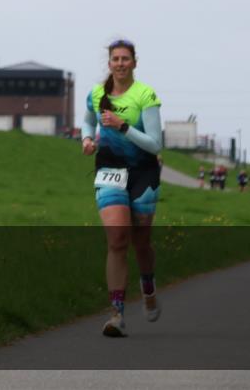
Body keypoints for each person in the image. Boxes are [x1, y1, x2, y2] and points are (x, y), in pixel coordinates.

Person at [81, 39, 163, 337]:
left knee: (141, 243)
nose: (120, 63)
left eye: (125, 59)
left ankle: (148, 286)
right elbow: (88, 122)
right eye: (115, 59)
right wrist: (87, 140)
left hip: (143, 172)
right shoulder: (96, 93)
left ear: (134, 63)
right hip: (110, 170)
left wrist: (122, 126)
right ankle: (116, 313)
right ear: (109, 63)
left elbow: (156, 144)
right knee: (117, 239)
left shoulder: (146, 95)